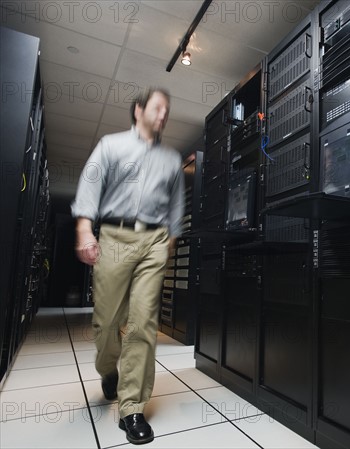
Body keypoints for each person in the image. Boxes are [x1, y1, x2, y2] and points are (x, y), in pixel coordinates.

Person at [71, 87, 184, 445]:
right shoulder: (110, 145)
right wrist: (85, 229)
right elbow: (90, 187)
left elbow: (177, 205)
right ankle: (108, 370)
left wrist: (170, 238)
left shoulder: (171, 158)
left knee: (142, 323)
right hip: (115, 238)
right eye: (157, 107)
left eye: (167, 109)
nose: (163, 114)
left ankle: (132, 406)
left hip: (153, 242)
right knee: (106, 322)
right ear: (138, 110)